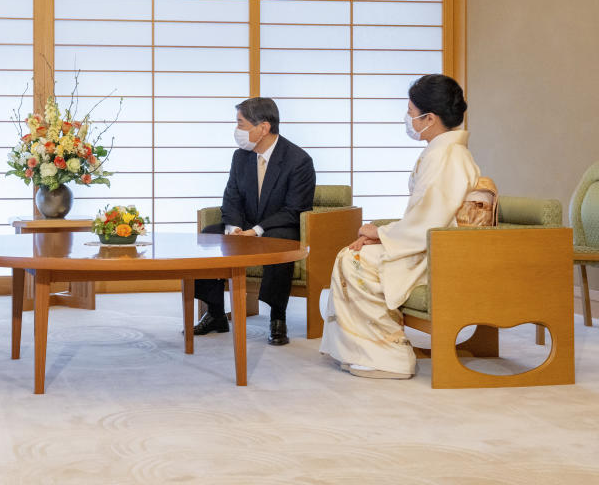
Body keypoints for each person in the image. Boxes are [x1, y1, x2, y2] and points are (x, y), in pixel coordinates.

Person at [320, 74, 480, 380]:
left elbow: (430, 221)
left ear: (429, 118)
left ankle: (389, 356)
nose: (408, 120)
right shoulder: (443, 151)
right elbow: (425, 216)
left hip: (441, 251)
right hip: (429, 241)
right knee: (352, 254)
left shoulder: (449, 156)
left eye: (411, 113)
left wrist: (380, 234)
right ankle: (365, 349)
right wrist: (381, 235)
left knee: (353, 260)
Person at [194, 97, 316, 346]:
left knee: (280, 242)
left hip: (278, 227)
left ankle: (277, 318)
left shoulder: (299, 161)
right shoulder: (241, 157)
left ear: (263, 128)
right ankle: (216, 313)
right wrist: (234, 228)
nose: (237, 131)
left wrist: (257, 231)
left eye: (241, 124)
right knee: (208, 235)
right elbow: (231, 198)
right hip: (244, 225)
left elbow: (295, 210)